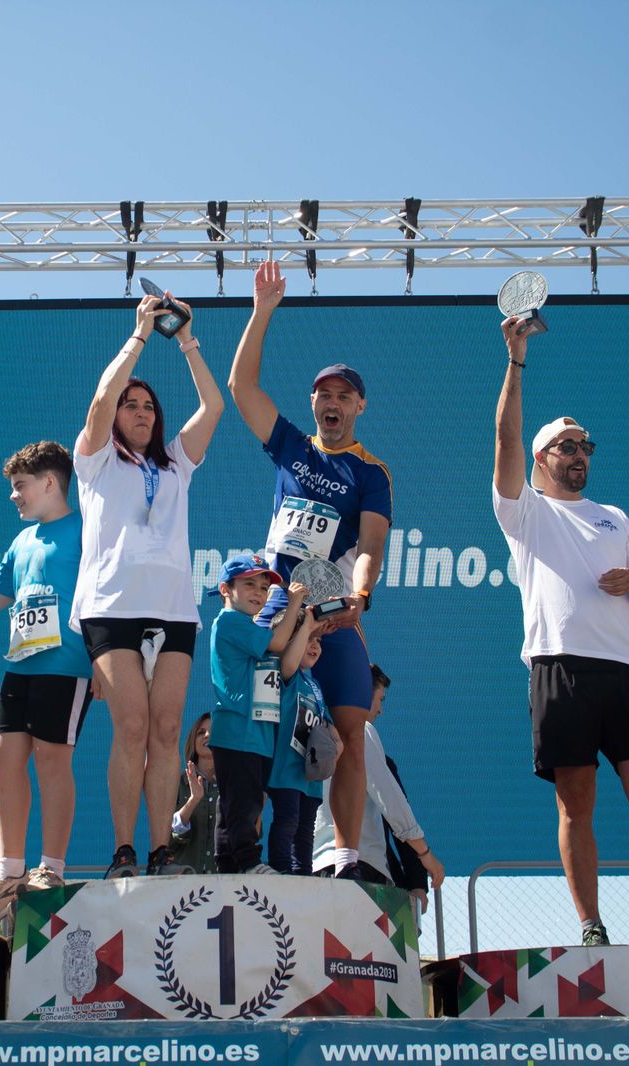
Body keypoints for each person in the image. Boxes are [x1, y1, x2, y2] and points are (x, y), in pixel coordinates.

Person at [492, 318, 629, 947]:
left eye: (585, 446)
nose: (579, 454)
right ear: (542, 458)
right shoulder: (524, 510)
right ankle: (591, 928)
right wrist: (516, 360)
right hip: (559, 668)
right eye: (566, 446)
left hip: (627, 670)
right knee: (574, 802)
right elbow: (505, 436)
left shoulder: (615, 517)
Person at [227, 260, 392, 879]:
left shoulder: (370, 472)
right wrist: (261, 311)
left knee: (347, 733)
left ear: (360, 406)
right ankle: (249, 858)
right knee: (258, 734)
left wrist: (361, 594)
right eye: (324, 394)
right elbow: (242, 388)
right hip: (278, 608)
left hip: (333, 612)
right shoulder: (292, 446)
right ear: (313, 403)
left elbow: (371, 543)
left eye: (343, 395)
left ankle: (345, 862)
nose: (332, 402)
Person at [72, 290, 224, 878]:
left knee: (166, 731)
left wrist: (186, 340)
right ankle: (123, 851)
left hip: (175, 611)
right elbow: (99, 398)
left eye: (148, 407)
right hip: (112, 609)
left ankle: (161, 851)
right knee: (131, 727)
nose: (140, 413)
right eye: (130, 405)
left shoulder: (176, 463)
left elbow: (213, 406)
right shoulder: (95, 460)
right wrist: (139, 336)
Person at [0, 441, 95, 927]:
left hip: (68, 663)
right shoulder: (21, 540)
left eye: (20, 486)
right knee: (2, 755)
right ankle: (10, 872)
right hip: (22, 664)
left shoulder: (86, 530)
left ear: (50, 482)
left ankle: (51, 868)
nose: (13, 496)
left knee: (53, 758)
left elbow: (104, 596)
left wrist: (103, 662)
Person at [208, 553, 308, 873]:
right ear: (225, 589)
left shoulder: (247, 627)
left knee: (240, 801)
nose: (258, 593)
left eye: (264, 588)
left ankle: (229, 866)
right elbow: (277, 642)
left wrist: (308, 622)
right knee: (243, 802)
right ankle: (248, 861)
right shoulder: (229, 621)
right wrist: (294, 603)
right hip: (238, 730)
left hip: (256, 733)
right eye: (249, 584)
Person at [312, 666, 443, 893]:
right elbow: (390, 800)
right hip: (359, 865)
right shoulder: (362, 731)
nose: (380, 709)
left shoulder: (318, 734)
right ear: (363, 693)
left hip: (316, 868)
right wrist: (425, 853)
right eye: (380, 699)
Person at [266, 614, 333, 874]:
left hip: (309, 774)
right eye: (308, 639)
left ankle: (302, 875)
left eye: (318, 640)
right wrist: (305, 625)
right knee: (287, 820)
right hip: (286, 769)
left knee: (305, 830)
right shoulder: (287, 672)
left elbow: (327, 724)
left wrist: (335, 745)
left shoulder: (314, 684)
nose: (315, 645)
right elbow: (289, 664)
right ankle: (281, 871)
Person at [170, 714, 219, 874]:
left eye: (214, 731)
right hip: (184, 883)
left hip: (226, 883)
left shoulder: (233, 785)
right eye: (201, 732)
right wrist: (193, 800)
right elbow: (169, 840)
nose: (207, 735)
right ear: (193, 740)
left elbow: (250, 838)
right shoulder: (176, 784)